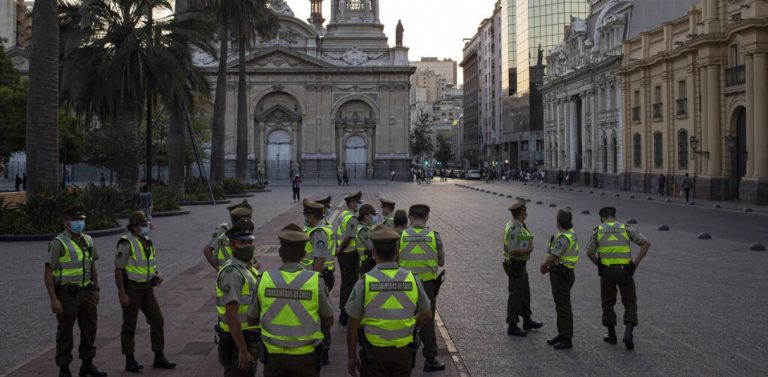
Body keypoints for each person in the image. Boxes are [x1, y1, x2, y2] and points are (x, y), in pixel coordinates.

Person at [346, 224, 432, 377]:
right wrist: (410, 326)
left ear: (373, 252)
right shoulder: (413, 279)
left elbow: (353, 325)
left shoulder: (364, 283)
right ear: (397, 252)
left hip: (374, 353)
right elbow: (426, 314)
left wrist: (352, 356)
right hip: (403, 352)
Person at [248, 224, 334, 377]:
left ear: (280, 252)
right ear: (304, 254)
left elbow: (252, 319)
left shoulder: (264, 279)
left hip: (273, 358)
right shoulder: (315, 281)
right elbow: (328, 321)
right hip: (306, 358)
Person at [43, 204, 107, 377]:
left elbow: (92, 266)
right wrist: (53, 299)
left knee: (90, 328)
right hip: (67, 294)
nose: (79, 223)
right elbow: (48, 271)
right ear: (66, 222)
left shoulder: (88, 240)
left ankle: (87, 364)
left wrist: (96, 288)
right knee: (65, 331)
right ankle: (64, 368)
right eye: (75, 220)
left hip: (87, 293)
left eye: (81, 220)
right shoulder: (58, 242)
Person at [115, 212, 176, 372]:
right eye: (143, 225)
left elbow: (149, 264)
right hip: (132, 288)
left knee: (157, 320)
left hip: (147, 288)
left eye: (146, 225)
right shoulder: (126, 243)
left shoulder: (147, 241)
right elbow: (119, 270)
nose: (146, 227)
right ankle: (130, 360)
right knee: (130, 324)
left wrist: (155, 276)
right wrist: (122, 293)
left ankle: (159, 356)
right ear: (134, 227)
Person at [586, 207, 652, 350]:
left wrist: (599, 264)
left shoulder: (598, 230)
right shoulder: (625, 228)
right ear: (614, 217)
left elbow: (589, 253)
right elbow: (646, 243)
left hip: (607, 272)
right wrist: (635, 263)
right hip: (625, 272)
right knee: (630, 302)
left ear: (602, 218)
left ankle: (612, 335)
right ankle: (628, 333)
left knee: (608, 303)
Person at [398, 204, 446, 372]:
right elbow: (441, 262)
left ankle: (402, 352)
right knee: (427, 320)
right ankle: (430, 359)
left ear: (410, 218)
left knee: (404, 317)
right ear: (426, 218)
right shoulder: (434, 236)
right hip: (427, 285)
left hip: (405, 284)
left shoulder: (401, 236)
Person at [215, 218, 261, 377]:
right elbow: (232, 315)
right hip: (239, 340)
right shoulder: (232, 273)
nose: (248, 246)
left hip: (248, 336)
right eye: (242, 243)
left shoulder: (245, 268)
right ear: (233, 245)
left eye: (250, 242)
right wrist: (242, 350)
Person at [301, 199, 336, 365]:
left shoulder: (319, 232)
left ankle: (324, 350)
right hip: (318, 275)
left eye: (305, 215)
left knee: (321, 314)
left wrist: (311, 281)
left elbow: (319, 259)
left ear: (310, 215)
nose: (304, 218)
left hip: (319, 276)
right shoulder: (316, 228)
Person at [539, 208, 580, 350]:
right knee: (561, 305)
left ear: (558, 221)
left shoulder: (563, 237)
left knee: (563, 307)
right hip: (565, 273)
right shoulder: (569, 234)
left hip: (561, 275)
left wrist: (544, 265)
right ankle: (562, 334)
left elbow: (553, 256)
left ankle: (567, 338)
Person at [502, 201, 543, 337]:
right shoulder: (514, 227)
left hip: (520, 265)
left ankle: (527, 320)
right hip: (515, 264)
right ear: (521, 213)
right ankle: (512, 324)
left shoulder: (518, 225)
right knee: (515, 294)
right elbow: (513, 250)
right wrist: (528, 249)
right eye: (525, 211)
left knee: (525, 293)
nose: (526, 213)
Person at [203, 200, 253, 271]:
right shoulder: (224, 230)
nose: (250, 220)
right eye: (248, 217)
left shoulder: (243, 231)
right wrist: (218, 270)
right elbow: (207, 250)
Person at [336, 191, 362, 325]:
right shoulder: (352, 218)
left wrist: (338, 250)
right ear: (350, 202)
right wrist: (340, 249)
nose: (358, 204)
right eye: (356, 202)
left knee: (345, 283)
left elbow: (338, 234)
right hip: (349, 254)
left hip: (343, 254)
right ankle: (345, 313)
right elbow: (348, 237)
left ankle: (343, 311)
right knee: (350, 285)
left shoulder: (342, 215)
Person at [356, 204, 378, 275]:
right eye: (373, 214)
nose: (375, 217)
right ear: (366, 216)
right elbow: (371, 247)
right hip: (367, 263)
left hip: (370, 262)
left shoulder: (369, 227)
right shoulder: (364, 230)